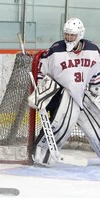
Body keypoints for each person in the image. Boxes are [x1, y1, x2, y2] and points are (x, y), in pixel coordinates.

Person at [28, 17, 100, 166]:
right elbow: (42, 72)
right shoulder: (55, 50)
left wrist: (96, 91)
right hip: (63, 95)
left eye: (72, 35)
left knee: (96, 127)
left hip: (83, 94)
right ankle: (41, 154)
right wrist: (43, 93)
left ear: (80, 34)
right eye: (66, 34)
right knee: (61, 125)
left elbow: (96, 74)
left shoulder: (93, 50)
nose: (68, 38)